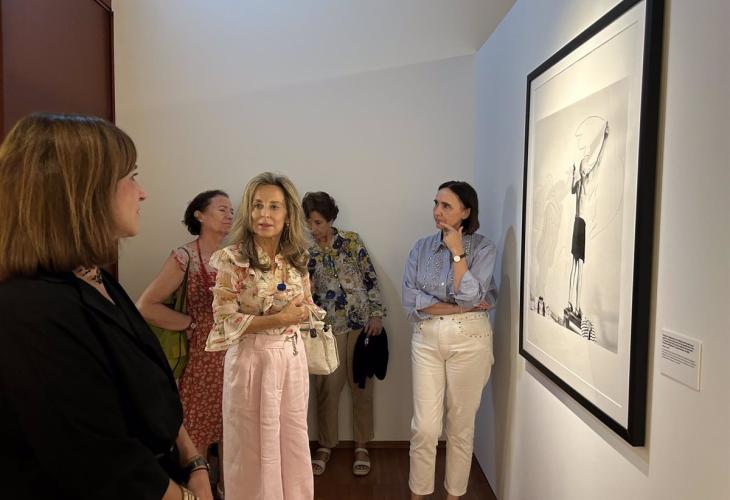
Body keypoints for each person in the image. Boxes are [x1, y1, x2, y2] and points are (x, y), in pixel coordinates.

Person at [0, 113, 213, 500]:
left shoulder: (96, 277)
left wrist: (194, 461)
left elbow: (155, 390)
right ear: (84, 191)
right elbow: (104, 464)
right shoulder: (30, 312)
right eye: (131, 177)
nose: (142, 193)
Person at [205, 172, 324, 500]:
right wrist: (279, 318)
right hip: (250, 361)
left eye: (274, 206)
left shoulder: (297, 258)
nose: (264, 214)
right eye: (257, 205)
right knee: (250, 446)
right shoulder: (233, 259)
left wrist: (304, 311)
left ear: (288, 214)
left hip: (291, 359)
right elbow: (223, 319)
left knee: (291, 440)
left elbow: (309, 305)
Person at [402, 181, 497, 500]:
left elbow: (469, 295)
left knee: (460, 427)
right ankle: (419, 494)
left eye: (446, 206)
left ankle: (454, 495)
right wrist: (459, 306)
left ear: (466, 212)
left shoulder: (483, 248)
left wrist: (458, 253)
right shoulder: (420, 248)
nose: (437, 212)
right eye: (436, 204)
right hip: (426, 338)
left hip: (470, 339)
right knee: (424, 428)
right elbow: (410, 300)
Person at [137, 189, 234, 497]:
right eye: (222, 209)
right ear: (199, 215)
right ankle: (200, 493)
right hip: (200, 362)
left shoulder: (233, 257)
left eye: (231, 211)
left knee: (232, 428)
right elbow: (146, 306)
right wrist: (190, 324)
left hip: (233, 357)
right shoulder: (185, 257)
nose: (230, 215)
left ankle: (227, 489)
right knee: (197, 430)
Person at [302, 191, 386, 477]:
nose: (313, 228)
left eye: (318, 222)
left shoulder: (351, 242)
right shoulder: (305, 252)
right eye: (309, 223)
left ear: (331, 219)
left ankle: (362, 445)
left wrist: (376, 314)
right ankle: (325, 445)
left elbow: (370, 279)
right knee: (326, 390)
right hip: (326, 329)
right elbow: (302, 291)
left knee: (362, 387)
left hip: (361, 325)